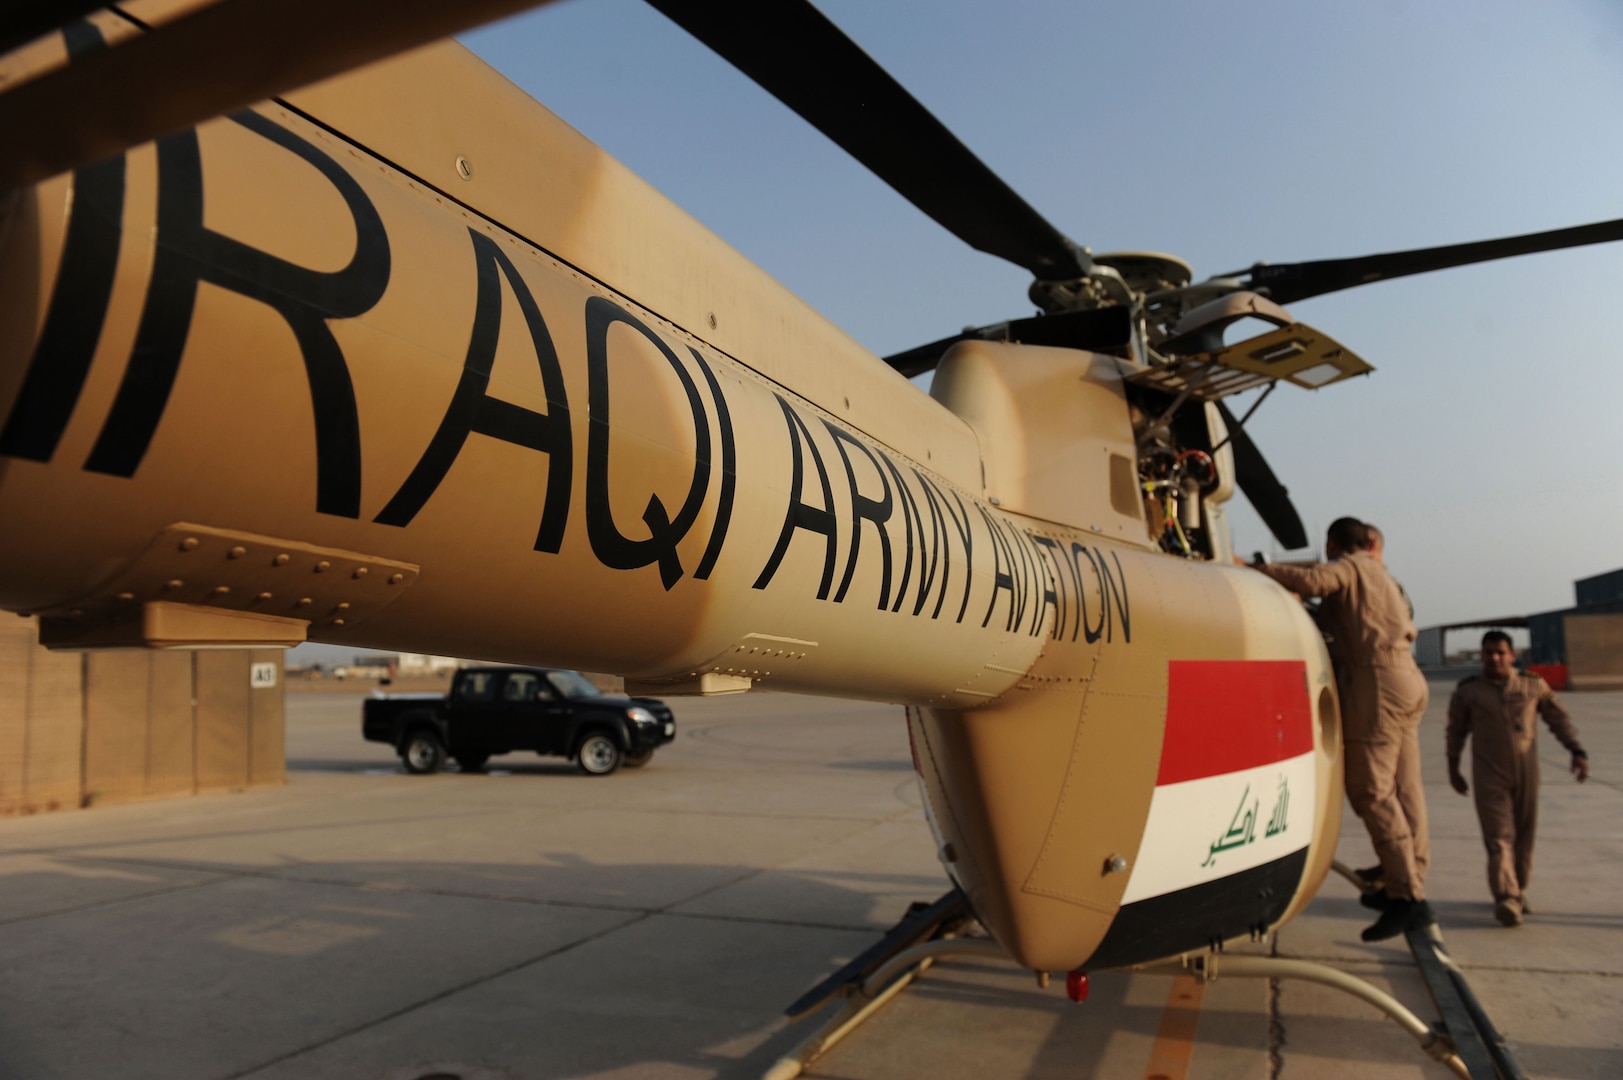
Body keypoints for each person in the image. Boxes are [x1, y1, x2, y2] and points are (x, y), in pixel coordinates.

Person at [1251, 517, 1433, 941]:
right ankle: (1406, 875)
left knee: (1371, 789)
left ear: (1336, 545)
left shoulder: (1353, 566)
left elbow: (1315, 581)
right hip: (1406, 680)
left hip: (1378, 685)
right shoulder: (1380, 575)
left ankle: (1407, 897)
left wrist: (1257, 571)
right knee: (1406, 790)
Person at [1446, 630, 1590, 926]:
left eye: (1500, 652)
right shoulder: (1469, 691)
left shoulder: (1532, 685)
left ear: (1512, 655)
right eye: (1488, 652)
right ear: (1481, 655)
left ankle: (1518, 888)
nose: (1494, 658)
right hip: (1489, 774)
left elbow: (1558, 719)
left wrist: (1576, 751)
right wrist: (1453, 767)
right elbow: (1456, 730)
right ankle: (1506, 897)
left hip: (1526, 772)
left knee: (1524, 839)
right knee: (1499, 838)